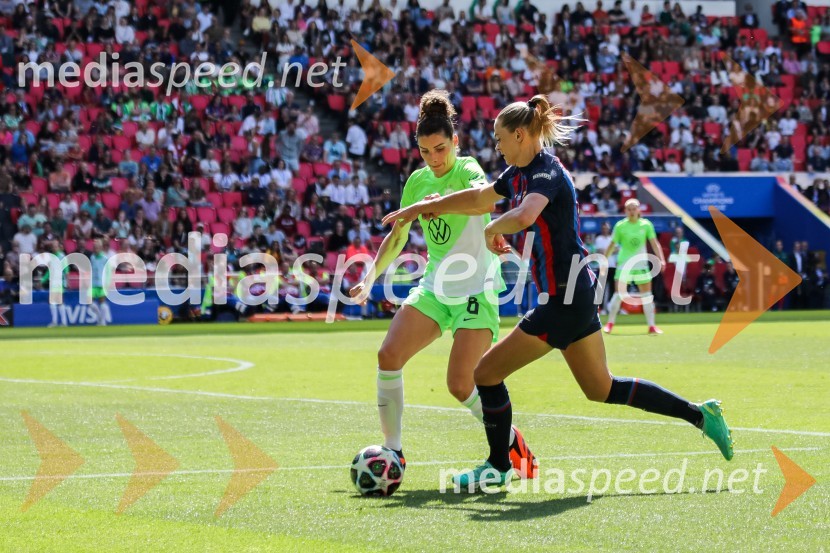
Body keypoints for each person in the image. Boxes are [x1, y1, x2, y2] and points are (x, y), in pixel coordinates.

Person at [383, 95, 733, 489]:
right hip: (574, 294)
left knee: (485, 373)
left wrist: (491, 228)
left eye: (500, 140)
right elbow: (478, 199)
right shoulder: (517, 172)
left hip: (564, 297)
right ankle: (701, 415)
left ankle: (499, 466)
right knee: (601, 388)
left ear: (519, 135)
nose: (497, 148)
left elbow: (525, 214)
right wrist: (420, 209)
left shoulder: (545, 170)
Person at [349, 90, 538, 477]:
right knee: (388, 356)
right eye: (424, 152)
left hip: (475, 290)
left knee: (460, 384)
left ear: (455, 142)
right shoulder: (417, 182)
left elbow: (485, 203)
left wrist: (437, 202)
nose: (434, 159)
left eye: (439, 149)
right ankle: (394, 452)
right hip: (435, 287)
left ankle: (510, 442)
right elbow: (398, 235)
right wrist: (369, 278)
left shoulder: (468, 169)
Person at [601, 199, 666, 334]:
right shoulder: (620, 226)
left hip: (641, 264)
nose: (631, 211)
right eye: (628, 209)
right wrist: (604, 260)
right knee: (619, 294)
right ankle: (610, 324)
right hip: (624, 264)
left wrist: (662, 260)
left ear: (638, 210)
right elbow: (612, 245)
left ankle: (652, 326)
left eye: (634, 208)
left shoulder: (646, 225)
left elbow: (655, 244)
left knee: (647, 295)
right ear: (625, 211)